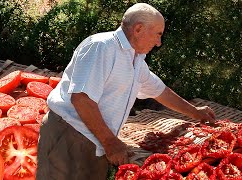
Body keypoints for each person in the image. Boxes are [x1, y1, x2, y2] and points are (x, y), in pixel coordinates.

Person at [36, 3, 216, 180]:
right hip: (70, 135)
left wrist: (195, 112)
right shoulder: (102, 47)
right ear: (138, 29)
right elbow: (82, 99)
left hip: (94, 140)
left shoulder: (136, 60)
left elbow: (161, 92)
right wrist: (110, 142)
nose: (159, 42)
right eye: (158, 34)